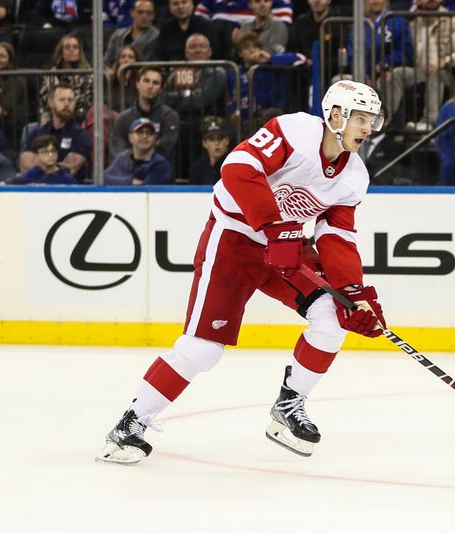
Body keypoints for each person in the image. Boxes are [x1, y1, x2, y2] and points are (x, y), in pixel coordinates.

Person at [95, 80, 387, 464]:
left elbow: (337, 238)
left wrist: (353, 293)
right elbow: (238, 167)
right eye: (361, 119)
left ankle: (289, 406)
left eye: (373, 121)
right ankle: (130, 425)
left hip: (286, 249)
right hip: (234, 239)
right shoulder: (295, 131)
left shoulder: (354, 177)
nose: (369, 129)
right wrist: (270, 225)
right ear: (336, 116)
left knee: (332, 320)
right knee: (202, 349)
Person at [384, 0, 455, 131]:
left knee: (435, 74)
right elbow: (408, 54)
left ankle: (429, 122)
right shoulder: (414, 24)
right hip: (421, 72)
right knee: (397, 73)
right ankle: (387, 120)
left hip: (450, 75)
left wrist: (444, 61)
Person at [228, 33, 308, 121]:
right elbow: (231, 97)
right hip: (244, 121)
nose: (252, 51)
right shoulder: (234, 72)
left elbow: (301, 59)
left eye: (255, 47)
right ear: (240, 53)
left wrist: (270, 58)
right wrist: (232, 112)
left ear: (261, 50)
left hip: (270, 118)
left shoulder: (271, 66)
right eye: (247, 48)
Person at [19, 83, 92, 180]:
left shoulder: (81, 135)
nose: (67, 104)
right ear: (51, 102)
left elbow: (70, 169)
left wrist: (40, 164)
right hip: (36, 190)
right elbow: (25, 165)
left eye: (70, 100)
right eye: (62, 100)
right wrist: (53, 167)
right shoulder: (37, 133)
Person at [110, 66, 179, 163]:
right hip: (129, 172)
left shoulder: (169, 116)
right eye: (146, 81)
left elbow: (165, 149)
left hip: (158, 171)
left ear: (161, 89)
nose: (150, 86)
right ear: (137, 84)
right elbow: (117, 152)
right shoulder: (123, 118)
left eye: (155, 83)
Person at [346, 0, 414, 85]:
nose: (375, 1)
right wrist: (363, 76)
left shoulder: (397, 22)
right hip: (364, 75)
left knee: (388, 81)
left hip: (389, 72)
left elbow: (405, 53)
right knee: (339, 80)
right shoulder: (358, 24)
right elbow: (352, 55)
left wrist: (383, 65)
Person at [163, 33, 227, 113]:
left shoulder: (218, 72)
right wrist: (185, 95)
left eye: (202, 46)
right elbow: (163, 97)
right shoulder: (177, 73)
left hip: (205, 119)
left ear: (209, 52)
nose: (198, 51)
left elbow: (200, 100)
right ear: (186, 53)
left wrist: (177, 97)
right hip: (177, 118)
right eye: (193, 47)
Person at [38, 34, 94, 122]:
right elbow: (45, 99)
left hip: (81, 116)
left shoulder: (88, 74)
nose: (71, 50)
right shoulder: (51, 74)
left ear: (80, 52)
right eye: (67, 47)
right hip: (53, 115)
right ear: (61, 52)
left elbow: (88, 101)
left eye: (75, 47)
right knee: (29, 128)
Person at [104, 117, 173, 185]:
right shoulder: (123, 158)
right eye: (139, 132)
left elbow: (144, 191)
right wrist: (131, 182)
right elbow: (101, 179)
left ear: (155, 140)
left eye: (149, 133)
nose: (144, 136)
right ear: (130, 137)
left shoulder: (160, 164)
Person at [149, 0, 220, 61]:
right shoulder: (166, 28)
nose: (180, 7)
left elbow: (215, 52)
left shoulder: (205, 25)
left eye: (184, 2)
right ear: (170, 7)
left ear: (192, 4)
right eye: (175, 4)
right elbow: (158, 52)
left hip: (203, 70)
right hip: (173, 71)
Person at [104, 0, 159, 73]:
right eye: (140, 12)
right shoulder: (118, 34)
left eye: (148, 13)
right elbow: (106, 62)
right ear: (132, 13)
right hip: (115, 76)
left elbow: (149, 65)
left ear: (153, 15)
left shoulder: (157, 36)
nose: (144, 16)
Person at [9, 134, 77, 184]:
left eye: (53, 151)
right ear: (36, 155)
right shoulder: (31, 174)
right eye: (45, 152)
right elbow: (9, 183)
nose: (50, 155)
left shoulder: (67, 179)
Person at [186, 115, 230, 184]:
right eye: (211, 139)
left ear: (227, 141)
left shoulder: (233, 166)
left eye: (220, 138)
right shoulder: (197, 169)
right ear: (204, 143)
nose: (217, 143)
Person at [107, 44, 142, 112]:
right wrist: (120, 80)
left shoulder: (141, 81)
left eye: (131, 57)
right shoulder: (110, 81)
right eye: (123, 57)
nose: (126, 60)